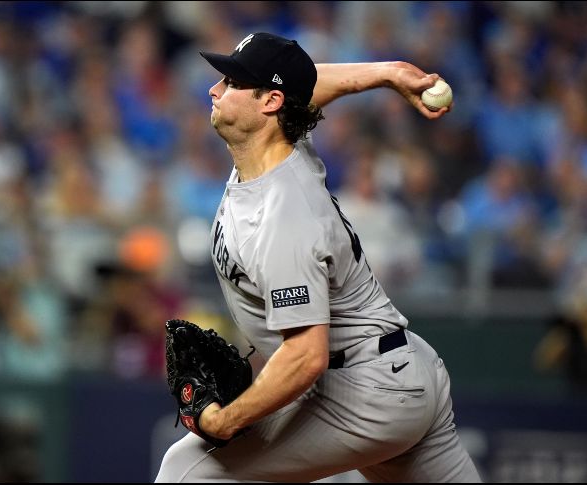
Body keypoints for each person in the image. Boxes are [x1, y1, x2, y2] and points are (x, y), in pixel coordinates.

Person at [156, 32, 481, 483]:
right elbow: (304, 86)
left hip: (361, 390)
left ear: (269, 103)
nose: (214, 90)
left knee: (187, 471)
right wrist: (385, 73)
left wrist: (223, 421)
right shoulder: (277, 145)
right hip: (399, 372)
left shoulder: (283, 216)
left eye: (230, 81)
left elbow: (306, 358)